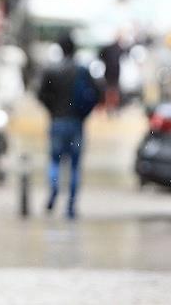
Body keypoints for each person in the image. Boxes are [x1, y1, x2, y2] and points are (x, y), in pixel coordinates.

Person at [36, 33, 100, 219]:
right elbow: (97, 94)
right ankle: (71, 206)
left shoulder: (51, 70)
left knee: (55, 161)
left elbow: (40, 95)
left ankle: (54, 191)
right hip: (76, 123)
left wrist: (52, 110)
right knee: (74, 166)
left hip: (57, 121)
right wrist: (84, 113)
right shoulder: (82, 71)